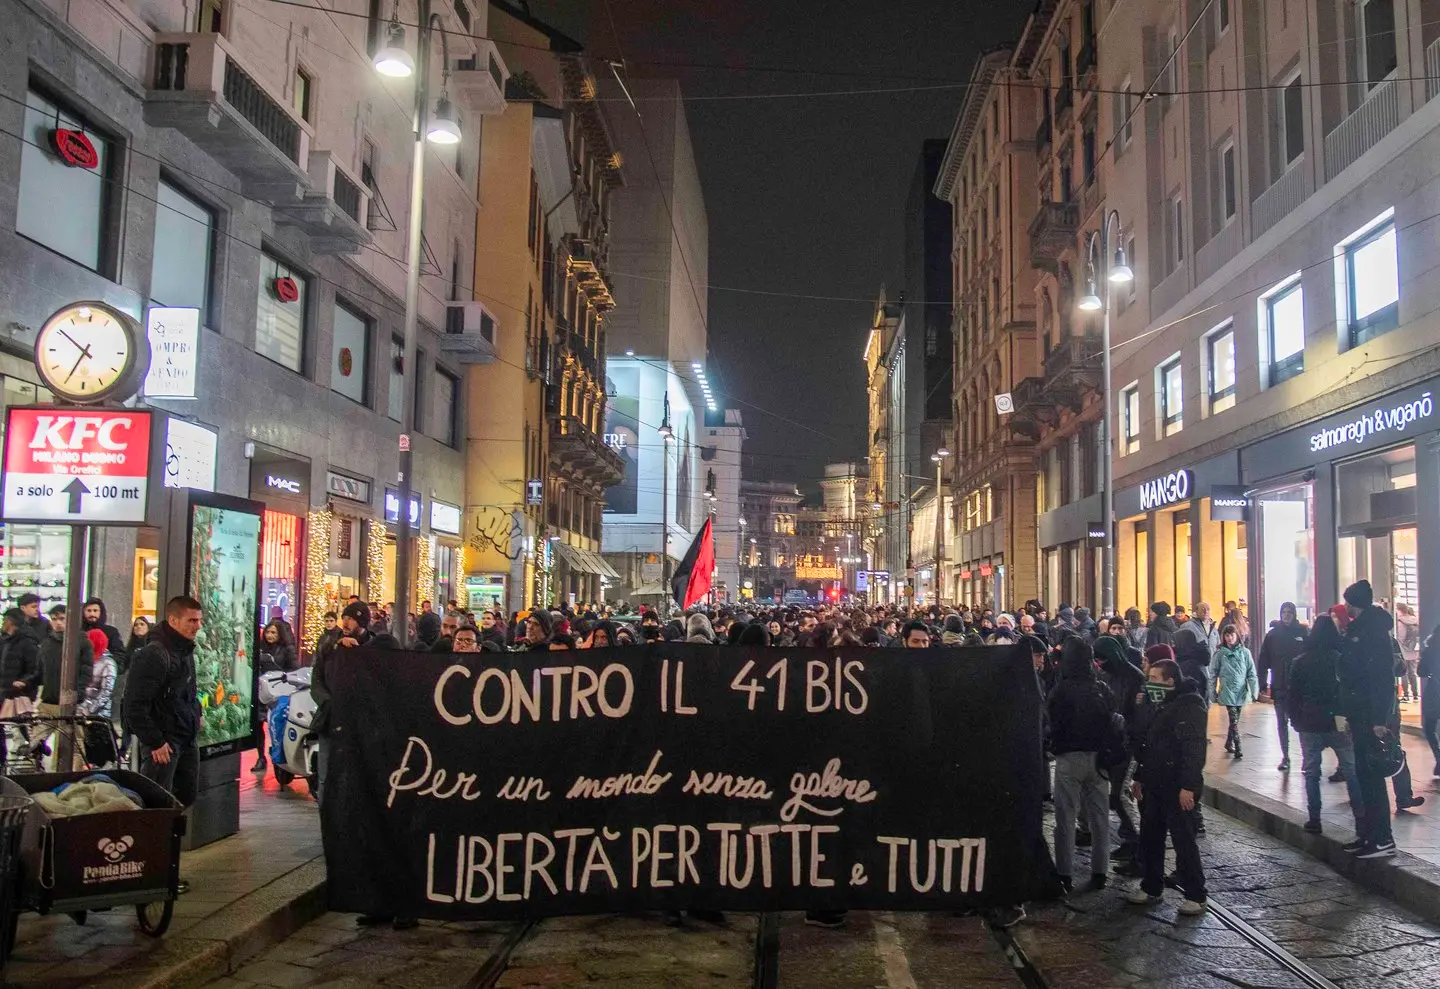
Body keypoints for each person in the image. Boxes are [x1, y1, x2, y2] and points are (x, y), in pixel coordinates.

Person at [125, 596, 203, 891]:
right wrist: (155, 741)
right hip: (164, 745)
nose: (197, 626)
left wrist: (197, 715)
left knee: (182, 799)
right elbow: (135, 706)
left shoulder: (185, 652)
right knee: (155, 809)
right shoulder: (154, 654)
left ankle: (163, 867)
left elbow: (189, 692)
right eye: (191, 620)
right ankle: (150, 872)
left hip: (185, 739)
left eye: (199, 620)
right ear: (173, 621)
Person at [1127, 658, 1208, 914]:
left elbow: (1194, 749)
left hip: (1176, 785)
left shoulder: (1190, 706)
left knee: (1183, 839)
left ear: (1171, 681)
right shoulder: (1159, 704)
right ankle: (1152, 886)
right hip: (1154, 783)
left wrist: (1188, 786)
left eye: (1155, 679)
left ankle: (1196, 894)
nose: (1149, 684)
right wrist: (1140, 775)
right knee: (1151, 837)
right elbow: (1150, 744)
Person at [1338, 580, 1404, 858]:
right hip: (1359, 710)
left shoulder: (1372, 632)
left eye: (1349, 602)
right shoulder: (1361, 629)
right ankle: (1368, 836)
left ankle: (1382, 838)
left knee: (1372, 775)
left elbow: (1381, 677)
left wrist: (1379, 718)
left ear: (1355, 604)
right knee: (1364, 775)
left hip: (1369, 713)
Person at [1047, 637, 1115, 892]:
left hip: (1069, 759)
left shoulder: (1062, 690)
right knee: (1099, 818)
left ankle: (1064, 873)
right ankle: (1100, 871)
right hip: (1099, 760)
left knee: (1065, 817)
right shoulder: (1101, 687)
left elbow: (1053, 720)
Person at [1287, 615, 1364, 834]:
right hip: (1338, 720)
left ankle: (1314, 818)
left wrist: (1295, 719)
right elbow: (1350, 690)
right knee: (1350, 769)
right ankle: (1361, 817)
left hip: (1310, 721)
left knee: (1312, 771)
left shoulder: (1300, 661)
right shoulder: (1339, 658)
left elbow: (1293, 695)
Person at [33, 605, 95, 767]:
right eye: (54, 619)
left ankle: (72, 779)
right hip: (48, 701)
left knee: (74, 747)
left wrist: (78, 694)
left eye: (62, 619)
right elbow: (39, 671)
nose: (58, 623)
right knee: (34, 743)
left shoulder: (82, 642)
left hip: (70, 703)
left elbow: (86, 671)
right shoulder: (46, 643)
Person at [1257, 602, 1309, 772]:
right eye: (1283, 612)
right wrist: (1262, 682)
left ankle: (1306, 757)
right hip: (1280, 685)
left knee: (1302, 723)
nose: (1286, 615)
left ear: (1294, 614)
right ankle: (1285, 756)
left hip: (1299, 686)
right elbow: (1264, 660)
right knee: (1281, 722)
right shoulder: (1272, 635)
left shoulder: (1302, 632)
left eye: (1289, 612)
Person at [1214, 624, 1259, 759]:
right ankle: (1238, 746)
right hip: (1227, 690)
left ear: (1237, 636)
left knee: (1235, 719)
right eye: (1226, 635)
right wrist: (1212, 692)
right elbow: (1213, 672)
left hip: (1241, 691)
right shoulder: (1220, 653)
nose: (1229, 638)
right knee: (1233, 719)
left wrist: (1254, 691)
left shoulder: (1245, 653)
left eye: (1231, 635)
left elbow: (1251, 673)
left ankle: (1229, 742)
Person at [81, 598, 126, 666]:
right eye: (89, 611)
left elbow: (119, 655)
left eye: (95, 610)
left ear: (101, 612)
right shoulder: (79, 631)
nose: (92, 614)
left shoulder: (111, 632)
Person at [1396, 603, 1421, 703]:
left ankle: (1406, 695)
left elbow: (1400, 637)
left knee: (1404, 673)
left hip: (1404, 650)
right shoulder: (1416, 620)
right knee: (1413, 673)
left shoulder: (1400, 622)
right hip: (1414, 650)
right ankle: (1415, 695)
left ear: (1399, 610)